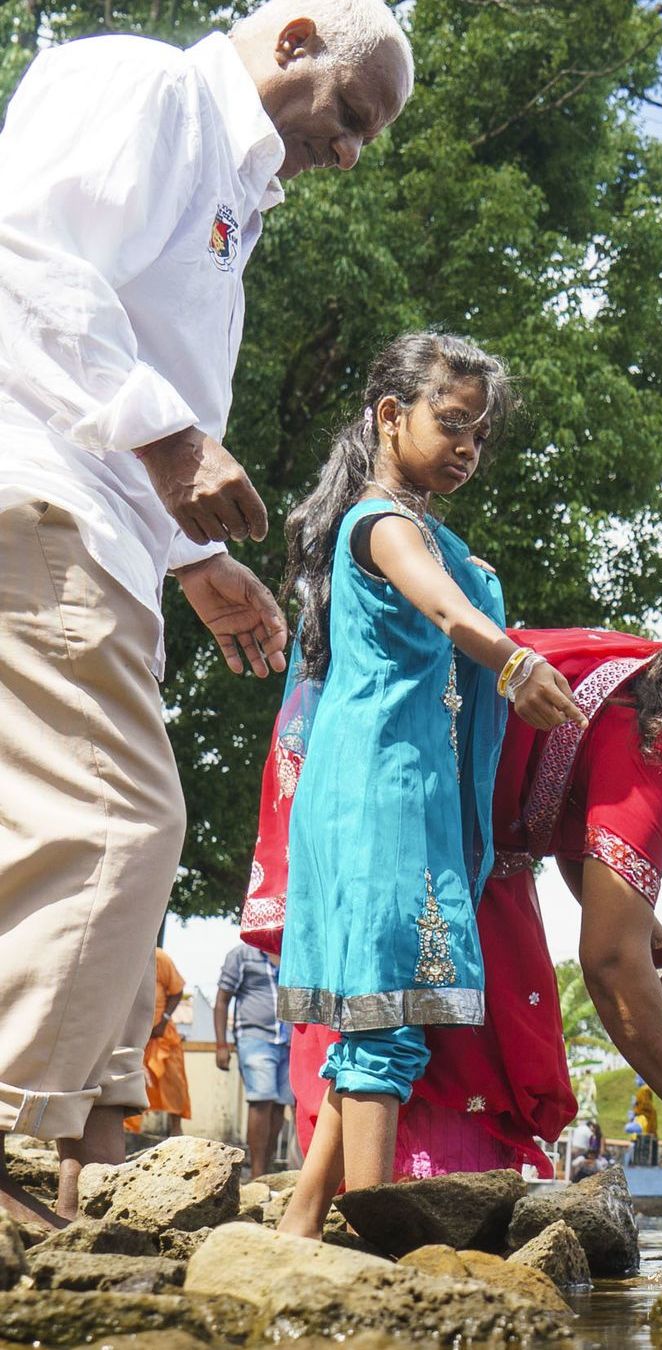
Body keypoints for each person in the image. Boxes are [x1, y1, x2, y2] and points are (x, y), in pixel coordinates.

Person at [0, 0, 413, 1227]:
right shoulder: (149, 88)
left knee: (98, 844)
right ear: (294, 40)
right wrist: (177, 439)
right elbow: (23, 253)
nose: (348, 154)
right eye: (350, 116)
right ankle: (16, 1143)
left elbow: (125, 342)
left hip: (109, 533)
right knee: (120, 822)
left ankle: (93, 1174)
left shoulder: (233, 183)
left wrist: (194, 560)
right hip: (42, 500)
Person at [259, 632, 662, 1177]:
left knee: (405, 1024)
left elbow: (580, 848)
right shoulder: (654, 749)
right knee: (397, 1025)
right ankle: (372, 1216)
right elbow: (609, 961)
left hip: (438, 828)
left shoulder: (661, 704)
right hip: (397, 811)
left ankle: (349, 1217)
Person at [267, 332, 584, 1240]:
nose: (467, 450)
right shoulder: (385, 526)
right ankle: (373, 1240)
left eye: (479, 436)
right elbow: (447, 609)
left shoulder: (416, 526)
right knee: (386, 1022)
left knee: (377, 1018)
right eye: (452, 425)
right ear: (389, 417)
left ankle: (300, 1227)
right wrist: (517, 663)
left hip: (395, 782)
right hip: (383, 786)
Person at [214, 941, 293, 1177]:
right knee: (261, 1100)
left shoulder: (290, 951)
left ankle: (266, 1172)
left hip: (288, 1039)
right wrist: (221, 1044)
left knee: (279, 1105)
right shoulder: (241, 954)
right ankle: (257, 1174)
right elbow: (221, 1000)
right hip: (254, 1037)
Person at [125, 951, 192, 1136]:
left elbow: (177, 991)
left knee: (174, 1084)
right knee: (131, 1086)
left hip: (162, 1035)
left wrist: (163, 1020)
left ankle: (176, 1132)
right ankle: (130, 1135)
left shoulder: (158, 957)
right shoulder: (124, 955)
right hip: (134, 1037)